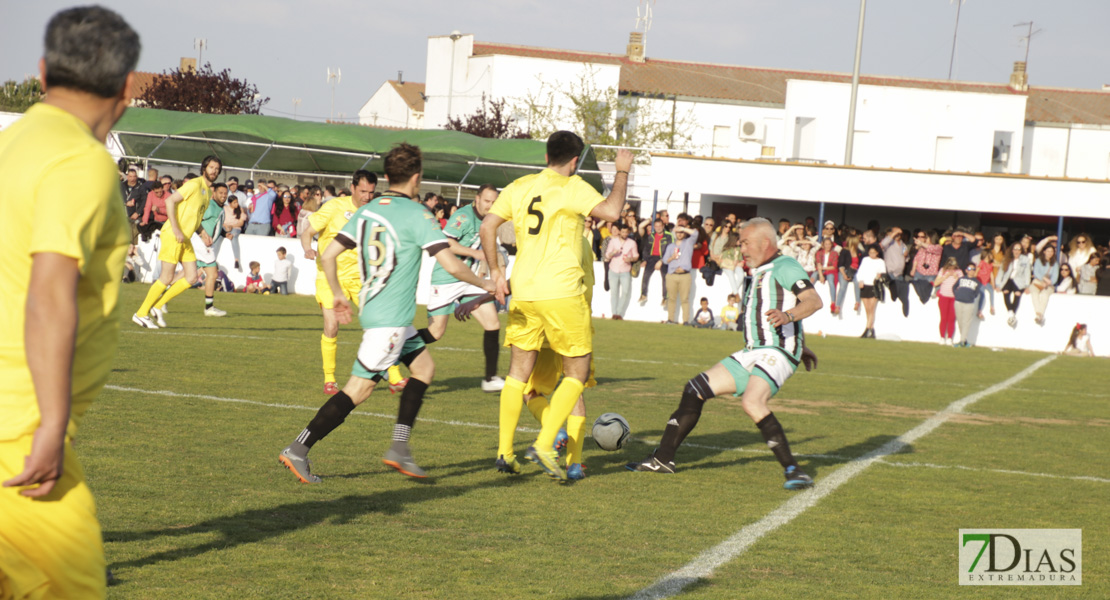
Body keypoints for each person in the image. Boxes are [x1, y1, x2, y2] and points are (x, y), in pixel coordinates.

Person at [0, 7, 138, 598]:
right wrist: (52, 425)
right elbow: (49, 289)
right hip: (18, 431)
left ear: (41, 71)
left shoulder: (15, 142)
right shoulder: (82, 161)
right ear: (129, 87)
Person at [278, 143, 494, 483]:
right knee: (357, 392)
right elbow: (451, 265)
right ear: (417, 177)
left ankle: (399, 448)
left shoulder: (369, 210)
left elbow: (329, 254)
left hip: (381, 314)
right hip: (390, 321)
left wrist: (337, 294)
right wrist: (489, 283)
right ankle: (298, 449)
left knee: (424, 368)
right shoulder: (418, 214)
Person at [478, 130, 632, 481]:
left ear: (547, 155)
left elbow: (488, 227)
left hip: (524, 292)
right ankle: (548, 446)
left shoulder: (520, 186)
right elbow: (611, 210)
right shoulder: (572, 186)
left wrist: (497, 272)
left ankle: (505, 452)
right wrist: (622, 171)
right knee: (576, 375)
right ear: (575, 161)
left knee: (518, 374)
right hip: (561, 293)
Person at [627, 218, 822, 490]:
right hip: (754, 351)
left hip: (775, 352)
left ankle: (794, 470)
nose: (741, 248)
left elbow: (813, 301)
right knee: (694, 388)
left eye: (744, 243)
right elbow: (773, 313)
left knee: (752, 402)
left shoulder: (785, 266)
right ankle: (663, 458)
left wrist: (789, 322)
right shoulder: (762, 269)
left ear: (765, 243)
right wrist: (801, 344)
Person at [300, 170, 402, 395]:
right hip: (329, 276)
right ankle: (330, 378)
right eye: (363, 191)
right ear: (353, 187)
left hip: (361, 278)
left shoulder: (375, 210)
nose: (367, 196)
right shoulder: (334, 207)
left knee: (380, 323)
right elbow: (307, 232)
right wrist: (308, 248)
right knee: (332, 326)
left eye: (371, 192)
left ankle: (393, 374)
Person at [424, 183, 506, 392]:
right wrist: (475, 253)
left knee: (493, 322)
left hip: (467, 278)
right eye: (487, 201)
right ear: (477, 199)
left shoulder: (490, 219)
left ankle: (489, 378)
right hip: (447, 276)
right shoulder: (462, 216)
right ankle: (395, 349)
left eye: (494, 202)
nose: (490, 205)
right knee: (435, 333)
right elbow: (446, 243)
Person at [132, 154, 221, 329]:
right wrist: (176, 228)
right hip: (173, 234)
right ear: (204, 168)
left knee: (191, 277)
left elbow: (195, 218)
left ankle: (157, 305)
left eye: (217, 169)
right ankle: (141, 313)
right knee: (166, 277)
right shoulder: (194, 184)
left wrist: (203, 233)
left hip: (185, 237)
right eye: (211, 167)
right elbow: (170, 200)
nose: (214, 171)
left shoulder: (207, 191)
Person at [187, 181, 229, 316]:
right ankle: (209, 308)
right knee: (213, 274)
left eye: (225, 193)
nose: (223, 196)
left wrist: (224, 233)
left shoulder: (219, 207)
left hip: (204, 245)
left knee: (190, 276)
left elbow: (214, 224)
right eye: (220, 193)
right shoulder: (210, 206)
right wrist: (202, 234)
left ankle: (162, 297)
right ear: (214, 193)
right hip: (201, 244)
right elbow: (196, 220)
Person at [663, 226, 697, 324]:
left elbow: (695, 234)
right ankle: (670, 319)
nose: (680, 234)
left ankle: (685, 320)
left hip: (685, 275)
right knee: (672, 298)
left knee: (685, 299)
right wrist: (672, 258)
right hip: (672, 275)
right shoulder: (670, 246)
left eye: (681, 232)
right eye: (678, 232)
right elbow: (665, 260)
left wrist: (683, 228)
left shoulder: (688, 243)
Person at [605, 222, 639, 319]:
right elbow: (607, 255)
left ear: (628, 233)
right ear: (620, 232)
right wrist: (613, 253)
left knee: (625, 292)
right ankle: (614, 313)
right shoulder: (613, 241)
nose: (624, 234)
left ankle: (619, 313)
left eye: (626, 232)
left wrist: (630, 259)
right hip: (613, 269)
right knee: (614, 292)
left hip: (625, 270)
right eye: (623, 232)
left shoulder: (632, 243)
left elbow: (636, 256)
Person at [638, 218, 672, 304]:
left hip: (663, 258)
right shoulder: (651, 236)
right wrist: (645, 260)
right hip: (652, 258)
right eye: (656, 226)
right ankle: (643, 295)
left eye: (660, 226)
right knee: (646, 275)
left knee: (665, 276)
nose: (658, 228)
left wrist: (661, 260)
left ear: (663, 226)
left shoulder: (668, 236)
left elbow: (670, 250)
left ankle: (665, 297)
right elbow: (646, 249)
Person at [855, 243, 885, 338]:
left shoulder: (880, 262)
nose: (872, 254)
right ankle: (871, 329)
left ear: (877, 253)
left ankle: (867, 329)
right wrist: (860, 281)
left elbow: (883, 272)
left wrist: (879, 276)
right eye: (870, 252)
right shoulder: (865, 260)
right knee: (867, 309)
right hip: (865, 285)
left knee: (872, 309)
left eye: (874, 253)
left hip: (874, 286)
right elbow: (860, 271)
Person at [1027, 237, 1059, 326]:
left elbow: (1055, 277)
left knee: (1045, 294)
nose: (1050, 253)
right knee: (1034, 293)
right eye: (1048, 251)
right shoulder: (1038, 261)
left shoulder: (1055, 264)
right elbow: (1036, 272)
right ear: (1044, 251)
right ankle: (1039, 313)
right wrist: (1044, 279)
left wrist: (1049, 282)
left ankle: (1039, 314)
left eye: (1052, 251)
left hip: (1049, 284)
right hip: (1038, 282)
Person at [953, 263, 986, 347]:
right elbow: (954, 287)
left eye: (973, 269)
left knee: (966, 322)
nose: (972, 271)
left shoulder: (977, 282)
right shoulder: (961, 279)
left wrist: (971, 297)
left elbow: (976, 293)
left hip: (969, 304)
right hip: (958, 302)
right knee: (960, 322)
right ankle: (964, 340)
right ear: (966, 270)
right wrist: (957, 294)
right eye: (970, 269)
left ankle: (962, 341)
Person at [934, 257, 961, 345]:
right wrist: (945, 276)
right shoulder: (942, 270)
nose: (951, 268)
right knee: (944, 318)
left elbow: (962, 284)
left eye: (953, 266)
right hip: (944, 296)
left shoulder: (959, 272)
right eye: (950, 266)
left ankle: (949, 337)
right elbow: (936, 283)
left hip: (954, 297)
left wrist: (956, 278)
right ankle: (942, 337)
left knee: (951, 318)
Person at [223, 194, 247, 271]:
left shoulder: (240, 210)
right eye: (234, 202)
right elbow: (221, 221)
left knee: (234, 237)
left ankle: (236, 259)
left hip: (236, 227)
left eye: (237, 202)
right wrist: (226, 226)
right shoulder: (224, 209)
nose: (236, 204)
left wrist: (232, 226)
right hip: (225, 227)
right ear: (230, 203)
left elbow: (241, 223)